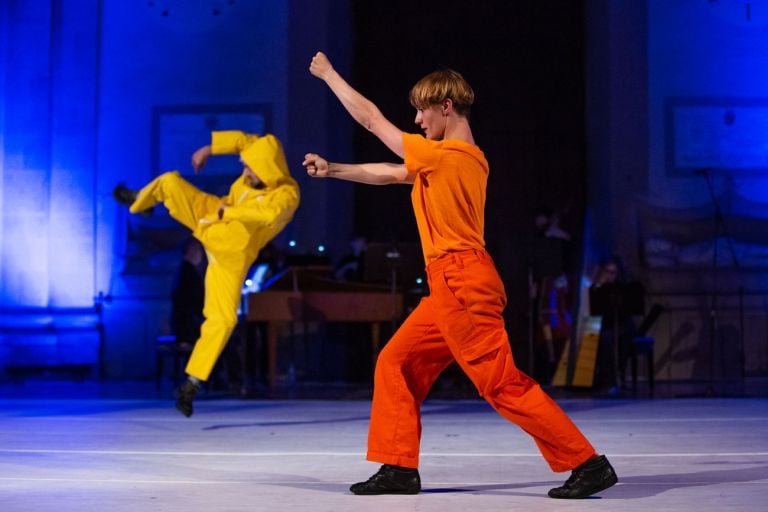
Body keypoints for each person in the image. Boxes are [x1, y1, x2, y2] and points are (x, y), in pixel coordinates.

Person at [303, 52, 617, 499]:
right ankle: (397, 467)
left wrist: (330, 75)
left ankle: (586, 462)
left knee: (501, 384)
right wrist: (335, 170)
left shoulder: (450, 156)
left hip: (462, 282)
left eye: (421, 110)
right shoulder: (457, 159)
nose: (416, 119)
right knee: (397, 362)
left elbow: (373, 122)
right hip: (449, 286)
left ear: (446, 106)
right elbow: (393, 174)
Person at [114, 131, 300, 416]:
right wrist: (208, 149)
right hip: (211, 214)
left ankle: (191, 383)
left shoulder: (287, 194)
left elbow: (268, 215)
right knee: (170, 182)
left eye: (250, 167)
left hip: (232, 253)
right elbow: (241, 141)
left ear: (267, 170)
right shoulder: (261, 149)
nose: (245, 169)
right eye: (246, 165)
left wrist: (231, 214)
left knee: (223, 319)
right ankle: (140, 201)